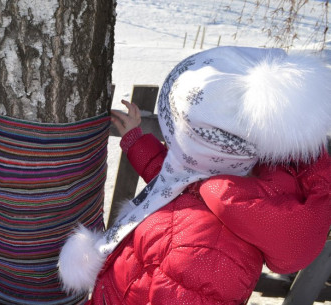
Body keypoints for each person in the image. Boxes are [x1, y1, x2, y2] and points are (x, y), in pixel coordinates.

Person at [58, 46, 331, 304]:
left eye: (175, 133)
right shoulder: (228, 183)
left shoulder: (207, 254)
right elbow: (176, 185)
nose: (171, 142)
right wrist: (135, 142)